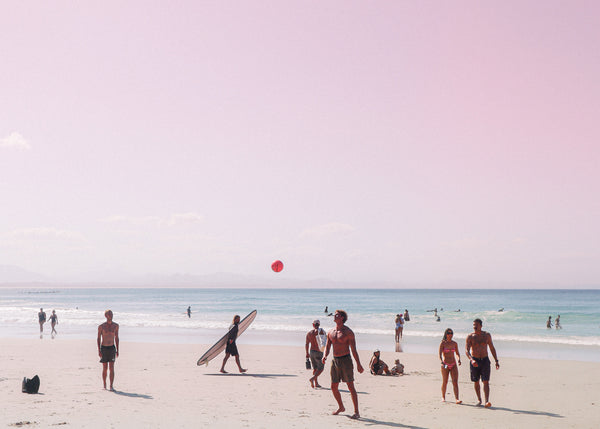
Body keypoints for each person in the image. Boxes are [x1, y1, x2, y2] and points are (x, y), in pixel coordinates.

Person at [322, 309, 364, 420]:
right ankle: (341, 407)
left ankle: (356, 412)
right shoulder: (331, 332)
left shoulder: (348, 332)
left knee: (350, 386)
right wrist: (325, 355)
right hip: (335, 360)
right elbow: (327, 346)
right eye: (334, 315)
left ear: (342, 318)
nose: (334, 316)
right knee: (333, 386)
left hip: (346, 360)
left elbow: (354, 350)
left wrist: (359, 364)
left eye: (337, 315)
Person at [465, 318, 499, 407]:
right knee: (476, 382)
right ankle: (479, 400)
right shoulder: (470, 337)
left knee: (486, 381)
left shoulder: (486, 335)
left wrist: (496, 360)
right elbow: (466, 350)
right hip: (474, 360)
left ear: (481, 326)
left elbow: (492, 348)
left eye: (476, 325)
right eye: (473, 325)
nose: (474, 327)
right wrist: (471, 360)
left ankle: (487, 401)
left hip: (485, 360)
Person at [97, 310, 119, 390]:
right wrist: (99, 350)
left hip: (112, 348)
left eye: (112, 314)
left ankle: (111, 386)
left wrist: (117, 349)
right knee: (105, 368)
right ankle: (104, 385)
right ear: (106, 316)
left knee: (112, 367)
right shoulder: (101, 326)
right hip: (104, 348)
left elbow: (116, 337)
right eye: (109, 314)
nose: (111, 315)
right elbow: (98, 338)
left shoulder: (116, 326)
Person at [439, 328, 462, 404]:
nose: (450, 335)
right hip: (445, 364)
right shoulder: (443, 343)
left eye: (451, 333)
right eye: (448, 333)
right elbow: (439, 355)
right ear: (446, 334)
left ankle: (457, 399)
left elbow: (457, 353)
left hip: (453, 364)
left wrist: (458, 359)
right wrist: (441, 362)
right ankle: (443, 397)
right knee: (445, 381)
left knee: (455, 382)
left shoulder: (454, 343)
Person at [305, 319, 326, 388]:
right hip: (318, 352)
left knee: (315, 368)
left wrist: (307, 353)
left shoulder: (309, 333)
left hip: (312, 352)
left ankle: (316, 383)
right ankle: (313, 379)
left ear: (313, 325)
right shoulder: (321, 331)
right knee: (321, 368)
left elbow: (307, 344)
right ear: (319, 324)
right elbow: (325, 340)